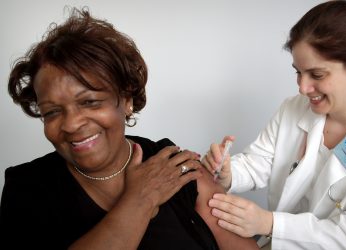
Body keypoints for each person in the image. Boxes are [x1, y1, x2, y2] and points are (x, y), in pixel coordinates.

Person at [0, 8, 259, 250]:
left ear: (126, 100)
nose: (70, 124)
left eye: (89, 102)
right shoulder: (27, 190)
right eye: (52, 112)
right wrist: (140, 200)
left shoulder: (174, 166)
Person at [202, 1, 346, 249]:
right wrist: (230, 174)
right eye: (298, 72)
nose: (303, 88)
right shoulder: (294, 109)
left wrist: (271, 224)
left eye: (317, 75)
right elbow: (260, 161)